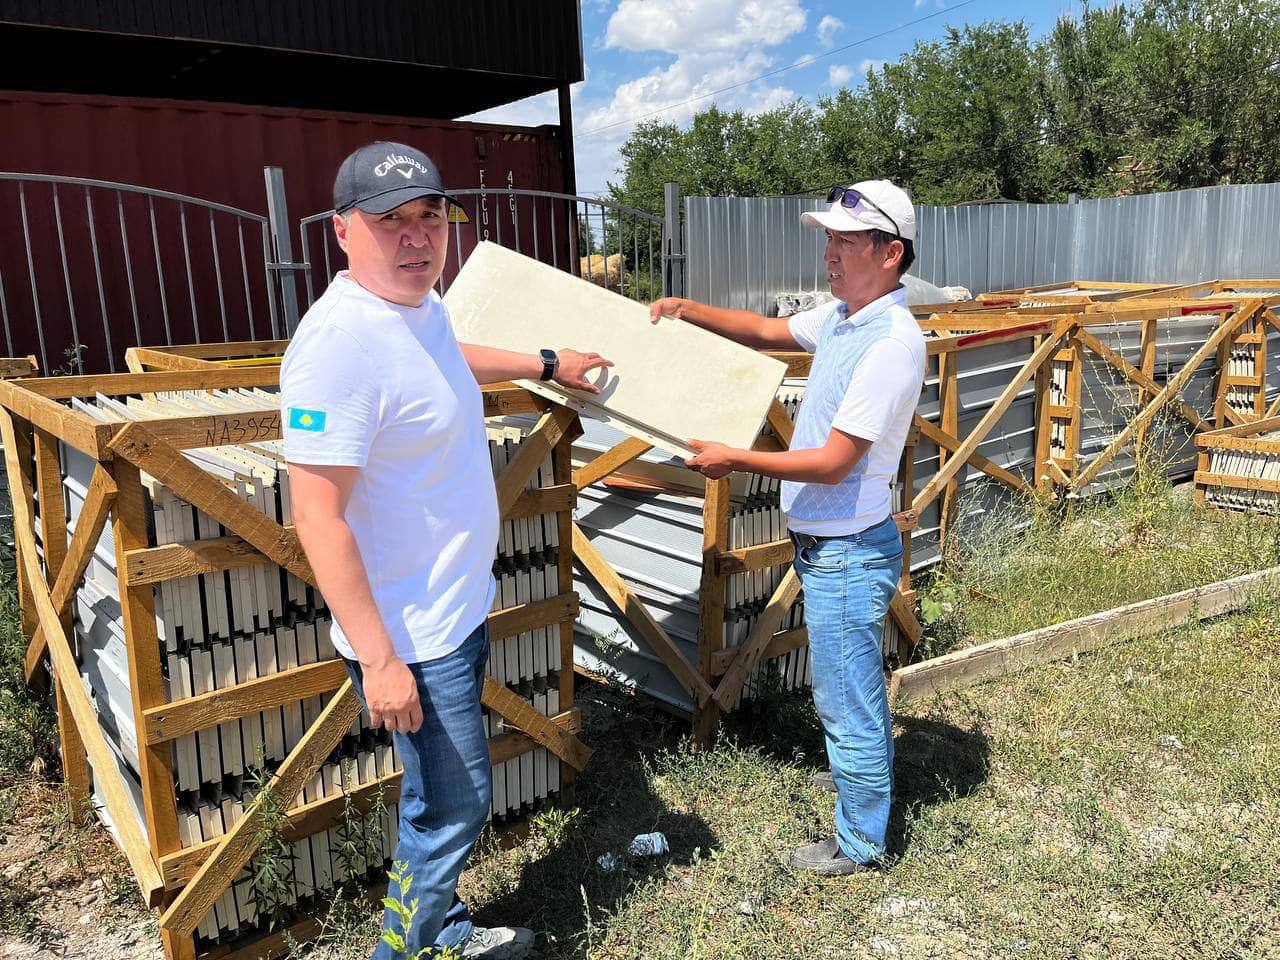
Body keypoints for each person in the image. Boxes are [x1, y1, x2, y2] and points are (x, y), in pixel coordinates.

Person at [281, 141, 611, 958]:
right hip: (410, 637)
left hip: (452, 612)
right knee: (453, 809)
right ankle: (405, 949)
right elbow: (317, 519)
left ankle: (441, 928)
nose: (417, 238)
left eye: (430, 217)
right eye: (390, 221)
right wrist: (380, 660)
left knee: (436, 800)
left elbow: (441, 359)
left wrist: (546, 361)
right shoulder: (337, 346)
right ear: (341, 230)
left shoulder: (416, 309)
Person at [649, 180, 925, 875]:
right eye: (827, 238)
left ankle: (860, 843)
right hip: (829, 546)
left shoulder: (890, 343)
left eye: (844, 241)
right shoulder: (842, 317)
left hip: (848, 550)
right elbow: (770, 331)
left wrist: (733, 457)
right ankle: (861, 776)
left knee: (844, 692)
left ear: (890, 253)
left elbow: (834, 462)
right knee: (848, 683)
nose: (828, 252)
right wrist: (689, 310)